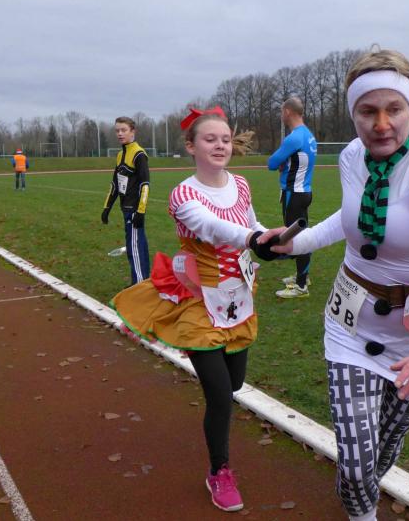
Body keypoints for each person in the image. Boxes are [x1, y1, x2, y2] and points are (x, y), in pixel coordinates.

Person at [257, 49, 409, 521]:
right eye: (368, 111)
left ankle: (362, 501)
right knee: (355, 465)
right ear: (353, 114)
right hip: (350, 326)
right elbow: (349, 218)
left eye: (395, 109)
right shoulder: (352, 156)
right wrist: (297, 242)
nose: (382, 124)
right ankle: (362, 515)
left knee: (383, 452)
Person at [111, 107, 278, 513]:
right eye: (210, 139)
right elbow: (214, 229)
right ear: (191, 146)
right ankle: (219, 471)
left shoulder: (241, 184)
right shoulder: (184, 195)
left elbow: (251, 222)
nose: (220, 145)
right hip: (199, 301)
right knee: (220, 397)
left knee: (234, 384)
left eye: (225, 139)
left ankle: (209, 364)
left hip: (238, 299)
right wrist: (254, 239)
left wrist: (271, 239)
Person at [267, 97, 317, 298]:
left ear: (287, 111)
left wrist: (283, 163)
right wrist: (287, 163)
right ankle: (302, 276)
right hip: (305, 192)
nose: (281, 115)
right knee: (301, 235)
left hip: (293, 194)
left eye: (282, 112)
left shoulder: (294, 138)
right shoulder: (308, 135)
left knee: (296, 238)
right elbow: (297, 162)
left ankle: (301, 286)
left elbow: (271, 163)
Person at [101, 116, 151, 285]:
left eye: (123, 130)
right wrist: (107, 207)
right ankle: (143, 283)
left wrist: (141, 211)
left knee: (135, 249)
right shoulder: (120, 155)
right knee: (137, 246)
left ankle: (138, 286)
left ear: (132, 131)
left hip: (135, 210)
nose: (120, 134)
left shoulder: (139, 154)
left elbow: (145, 185)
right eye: (117, 131)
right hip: (126, 209)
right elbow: (115, 184)